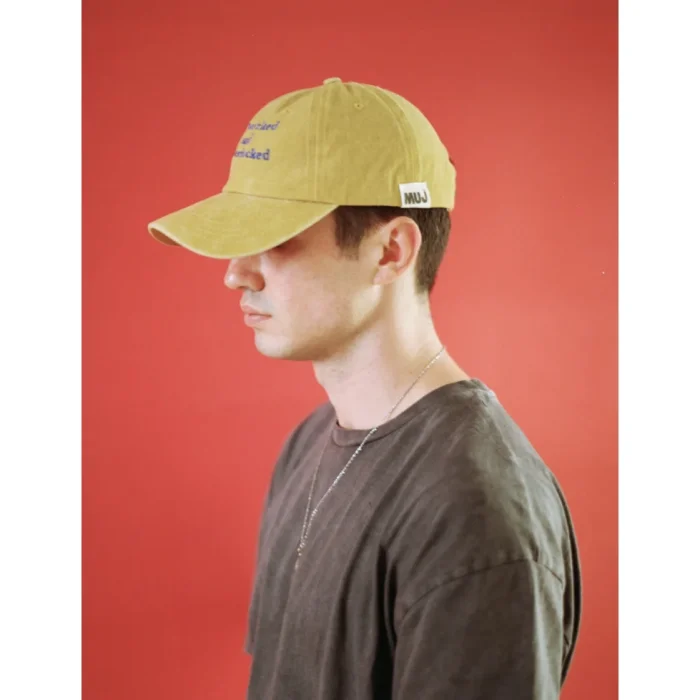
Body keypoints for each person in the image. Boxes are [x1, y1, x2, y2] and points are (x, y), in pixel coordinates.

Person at [147, 77, 582, 699]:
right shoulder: (308, 445)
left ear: (390, 251)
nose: (236, 274)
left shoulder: (473, 511)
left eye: (274, 238)